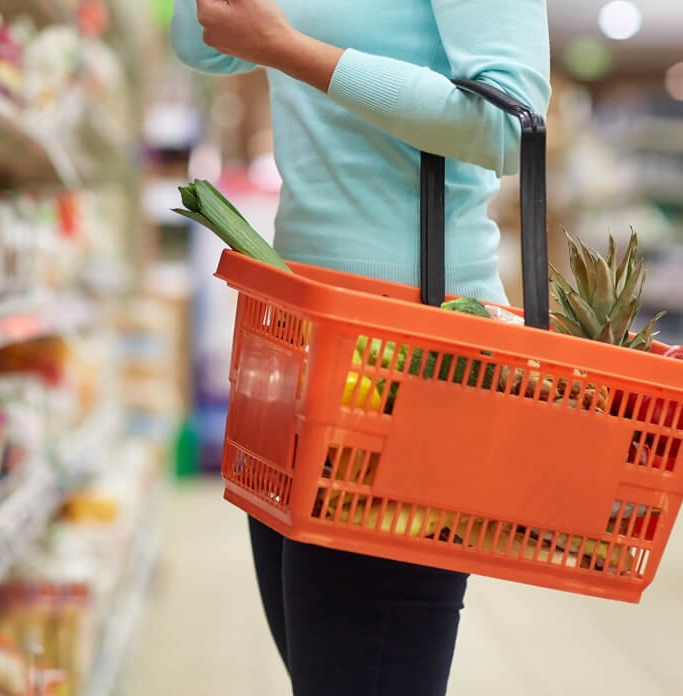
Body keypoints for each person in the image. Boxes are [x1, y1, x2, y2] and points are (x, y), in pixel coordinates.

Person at [169, 1, 550, 695]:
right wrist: (266, 42)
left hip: (410, 352)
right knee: (326, 668)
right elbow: (203, 42)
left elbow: (509, 124)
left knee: (364, 669)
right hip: (300, 336)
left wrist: (288, 50)